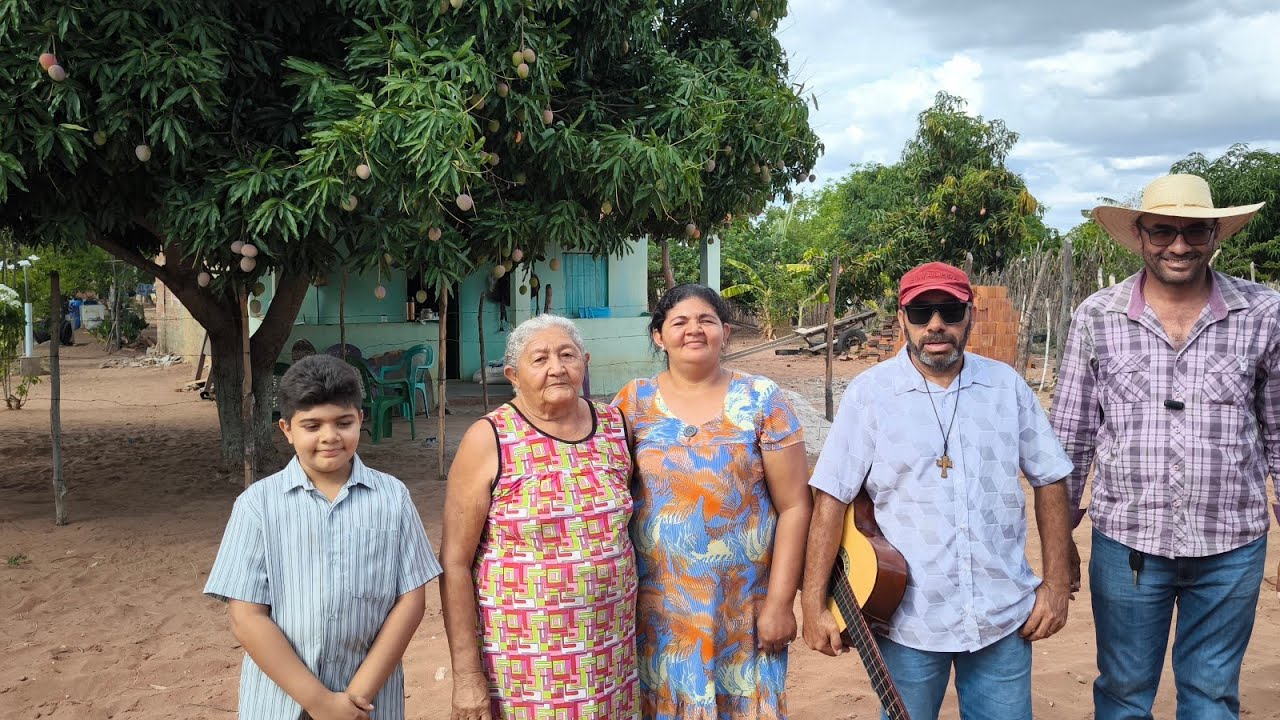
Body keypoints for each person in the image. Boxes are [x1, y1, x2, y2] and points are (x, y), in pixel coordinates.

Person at [1050, 173, 1279, 719]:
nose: (1179, 246)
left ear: (1215, 235)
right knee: (1124, 693)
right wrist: (1060, 541)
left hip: (1231, 543)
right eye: (1163, 231)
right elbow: (1071, 436)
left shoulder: (1264, 313)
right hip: (1128, 542)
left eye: (1194, 231)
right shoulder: (1098, 315)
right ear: (1140, 235)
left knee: (1211, 695)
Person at [802, 262, 1074, 720]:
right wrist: (812, 604)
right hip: (908, 620)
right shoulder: (871, 394)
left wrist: (1056, 585)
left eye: (949, 311)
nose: (935, 325)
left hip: (1001, 614)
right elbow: (831, 497)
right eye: (920, 312)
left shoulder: (1006, 387)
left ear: (971, 315)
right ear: (902, 318)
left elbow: (1050, 479)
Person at [204, 354, 441, 720]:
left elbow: (410, 601)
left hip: (369, 703)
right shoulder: (257, 505)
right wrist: (319, 702)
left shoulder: (392, 497)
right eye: (312, 425)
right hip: (281, 702)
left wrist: (356, 696)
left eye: (343, 423)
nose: (330, 436)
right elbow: (246, 617)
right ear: (286, 429)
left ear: (360, 419)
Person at [614, 283, 812, 719]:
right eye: (679, 322)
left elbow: (795, 507)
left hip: (742, 609)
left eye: (706, 320)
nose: (694, 330)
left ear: (725, 331)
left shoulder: (761, 399)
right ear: (658, 336)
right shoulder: (633, 403)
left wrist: (780, 604)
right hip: (659, 615)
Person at [440, 314, 638, 719]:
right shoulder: (490, 437)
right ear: (513, 374)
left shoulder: (616, 426)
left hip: (610, 651)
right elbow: (454, 562)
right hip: (525, 659)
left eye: (567, 355)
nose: (557, 368)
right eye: (540, 358)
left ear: (585, 362)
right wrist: (466, 675)